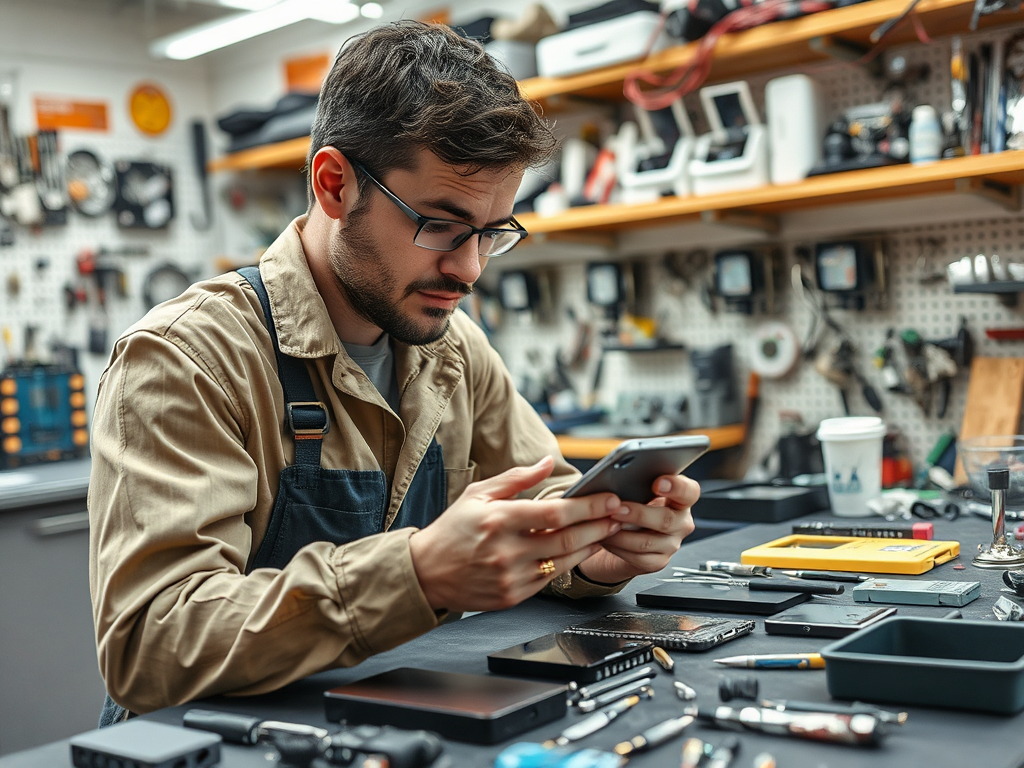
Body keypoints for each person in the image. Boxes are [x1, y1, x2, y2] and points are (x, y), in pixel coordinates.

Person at [88, 20, 700, 722]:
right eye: (440, 225)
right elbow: (149, 643)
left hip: (383, 729)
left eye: (491, 233)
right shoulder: (187, 359)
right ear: (334, 185)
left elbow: (545, 509)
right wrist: (416, 573)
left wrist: (594, 554)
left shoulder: (452, 350)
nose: (469, 269)